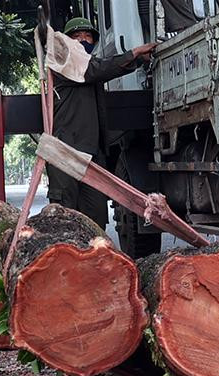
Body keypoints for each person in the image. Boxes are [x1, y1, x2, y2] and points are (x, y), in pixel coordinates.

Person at [46, 17, 157, 229]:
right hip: (64, 151)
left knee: (95, 217)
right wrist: (133, 54)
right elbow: (97, 69)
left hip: (92, 155)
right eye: (76, 36)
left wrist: (135, 61)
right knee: (64, 218)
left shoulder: (87, 66)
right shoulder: (62, 62)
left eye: (87, 36)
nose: (83, 41)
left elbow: (99, 69)